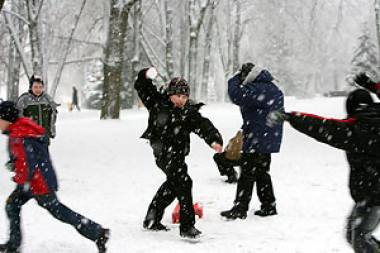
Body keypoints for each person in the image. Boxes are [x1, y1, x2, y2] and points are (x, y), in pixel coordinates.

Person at [269, 87, 380, 253]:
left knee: (359, 238)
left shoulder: (356, 129)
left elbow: (322, 125)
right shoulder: (365, 123)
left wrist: (291, 117)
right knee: (354, 235)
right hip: (369, 194)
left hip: (373, 195)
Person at [0, 101, 109, 253]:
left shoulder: (18, 134)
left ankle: (98, 232)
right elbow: (29, 156)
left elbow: (27, 164)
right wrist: (15, 165)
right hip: (37, 179)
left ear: (7, 118)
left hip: (37, 183)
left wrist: (20, 178)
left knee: (58, 211)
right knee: (12, 205)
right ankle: (14, 244)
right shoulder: (23, 128)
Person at [134, 67, 223, 239]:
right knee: (183, 182)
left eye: (184, 97)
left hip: (178, 155)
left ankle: (151, 218)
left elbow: (204, 126)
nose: (181, 100)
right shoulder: (157, 103)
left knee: (173, 185)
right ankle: (187, 227)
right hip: (162, 153)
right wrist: (146, 74)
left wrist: (214, 140)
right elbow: (142, 86)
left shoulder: (188, 112)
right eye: (178, 96)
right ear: (170, 94)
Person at [220, 63, 284, 220]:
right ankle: (269, 205)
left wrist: (233, 78)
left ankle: (240, 208)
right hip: (267, 137)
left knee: (247, 173)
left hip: (258, 137)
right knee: (262, 172)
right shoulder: (270, 87)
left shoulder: (259, 88)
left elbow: (236, 95)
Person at [17, 75, 57, 140]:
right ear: (31, 87)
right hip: (29, 136)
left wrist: (52, 130)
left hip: (44, 136)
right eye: (35, 87)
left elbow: (52, 116)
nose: (38, 89)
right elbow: (19, 117)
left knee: (43, 150)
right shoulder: (24, 100)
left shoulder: (47, 99)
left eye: (40, 87)